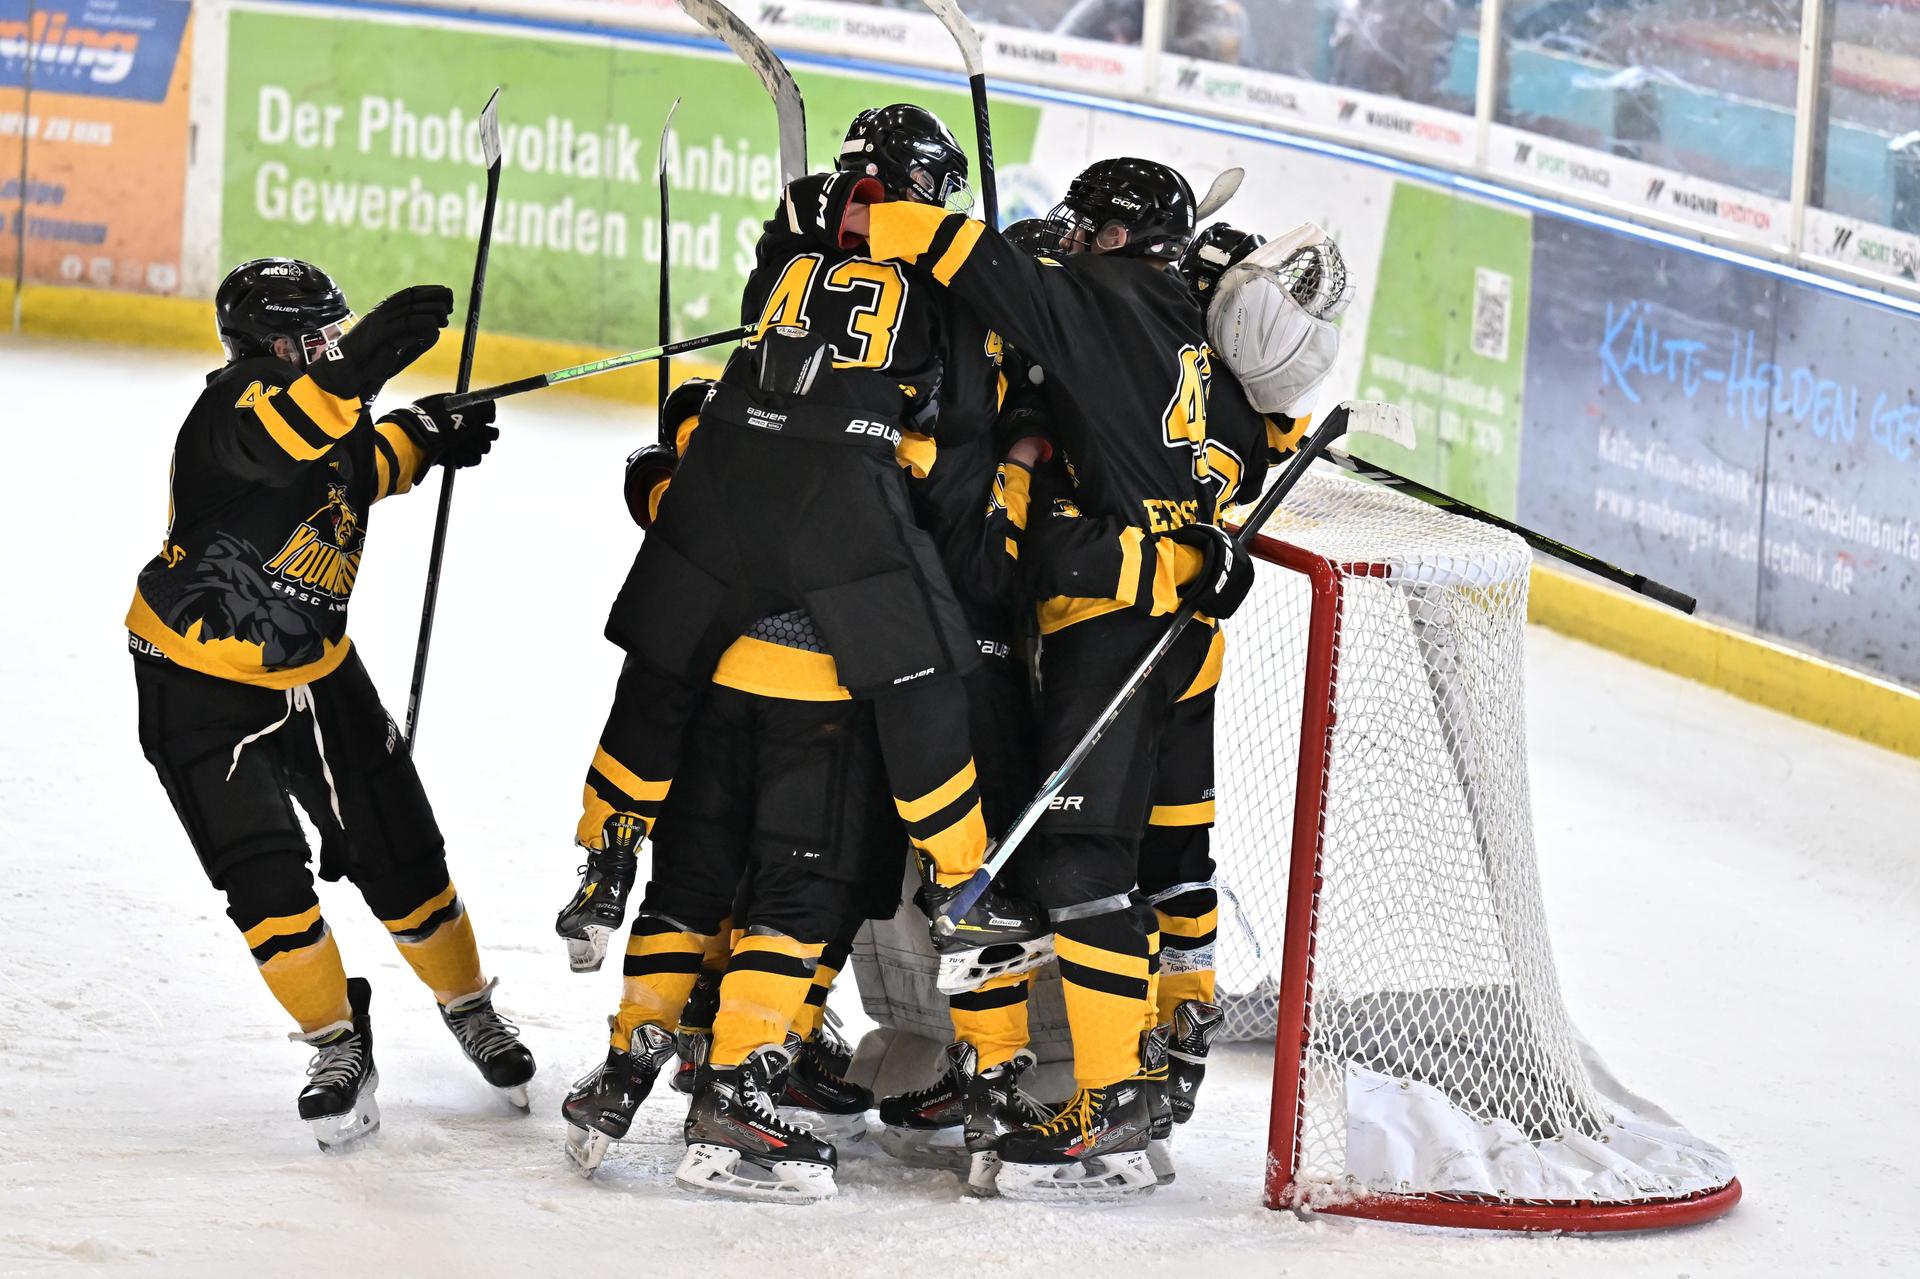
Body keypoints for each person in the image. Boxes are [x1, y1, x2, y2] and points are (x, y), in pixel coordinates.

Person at [555, 105, 1047, 1200]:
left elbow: (756, 357)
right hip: (836, 532)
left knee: (682, 802)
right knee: (861, 790)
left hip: (723, 517)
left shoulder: (792, 256)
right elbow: (959, 427)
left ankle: (626, 1028)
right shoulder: (938, 272)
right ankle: (943, 907)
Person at [809, 157, 1260, 1200]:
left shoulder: (1097, 296)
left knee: (1078, 861)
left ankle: (1114, 1096)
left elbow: (977, 262)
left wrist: (876, 221)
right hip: (1176, 625)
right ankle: (1153, 1047)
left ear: (1113, 238)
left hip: (1117, 626)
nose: (1074, 240)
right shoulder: (1180, 318)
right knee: (1133, 853)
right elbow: (1234, 450)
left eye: (1086, 227)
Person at [128, 258, 531, 1150]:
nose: (336, 347)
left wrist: (426, 433)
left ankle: (468, 1004)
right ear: (272, 347)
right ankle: (336, 1041)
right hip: (195, 684)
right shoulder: (228, 415)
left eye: (341, 334)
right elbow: (285, 439)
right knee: (264, 881)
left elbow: (361, 465)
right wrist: (358, 373)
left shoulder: (329, 410)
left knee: (402, 847)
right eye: (320, 338)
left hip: (319, 672)